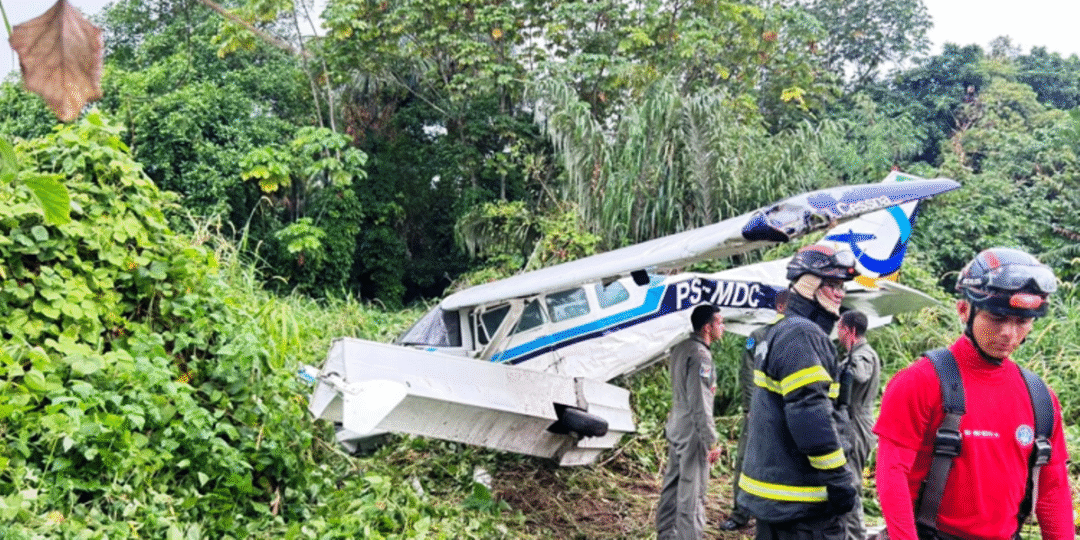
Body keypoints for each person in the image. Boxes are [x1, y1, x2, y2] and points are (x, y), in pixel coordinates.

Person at [874, 247, 1072, 540]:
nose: (1009, 333)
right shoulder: (920, 381)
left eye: (1021, 322)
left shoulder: (1040, 398)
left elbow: (1053, 489)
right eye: (996, 317)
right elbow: (893, 473)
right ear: (964, 310)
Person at [737, 245, 858, 540]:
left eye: (842, 286)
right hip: (803, 505)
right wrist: (839, 479)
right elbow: (809, 414)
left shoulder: (782, 331)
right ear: (808, 284)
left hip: (780, 499)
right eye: (832, 285)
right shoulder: (803, 335)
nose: (840, 294)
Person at [720, 288, 788, 531]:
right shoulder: (755, 336)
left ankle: (771, 516)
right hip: (758, 411)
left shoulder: (799, 338)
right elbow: (746, 370)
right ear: (779, 308)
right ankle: (740, 514)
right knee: (746, 459)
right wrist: (750, 406)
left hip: (786, 414)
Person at [656, 303, 725, 540]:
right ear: (707, 327)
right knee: (692, 495)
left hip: (676, 428)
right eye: (720, 322)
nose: (723, 327)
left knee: (672, 488)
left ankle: (666, 535)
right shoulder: (700, 356)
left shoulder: (681, 348)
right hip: (692, 434)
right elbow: (701, 404)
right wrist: (712, 441)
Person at [836, 310, 880, 540]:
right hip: (852, 422)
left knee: (850, 485)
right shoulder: (860, 352)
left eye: (839, 329)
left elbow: (860, 375)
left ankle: (857, 536)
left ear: (850, 331)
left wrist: (847, 365)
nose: (837, 334)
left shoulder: (863, 355)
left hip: (855, 425)